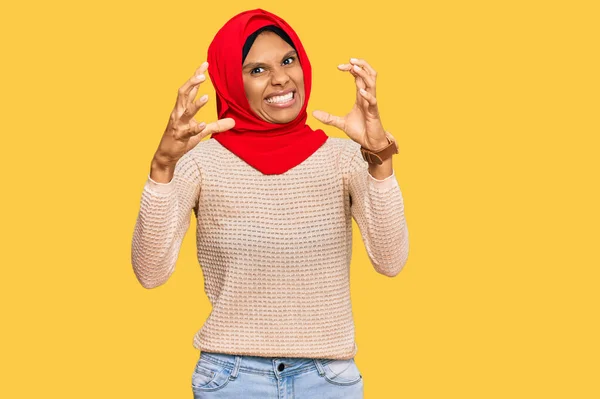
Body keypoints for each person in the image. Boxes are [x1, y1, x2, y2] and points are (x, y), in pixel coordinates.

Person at [131, 8, 409, 398]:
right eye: (257, 70)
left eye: (287, 60)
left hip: (328, 379)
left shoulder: (343, 158)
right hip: (230, 379)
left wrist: (380, 155)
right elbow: (150, 272)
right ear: (232, 81)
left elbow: (391, 261)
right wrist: (162, 167)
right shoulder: (200, 163)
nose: (281, 78)